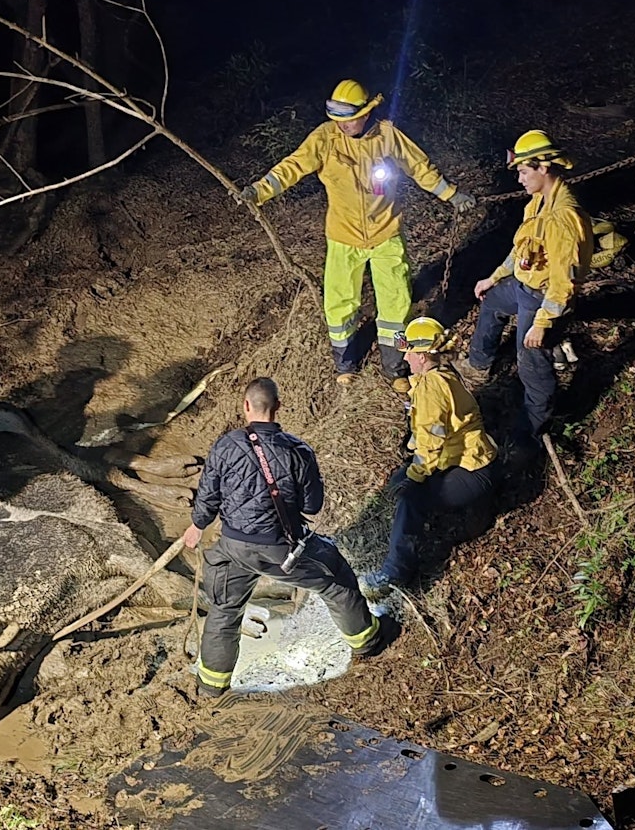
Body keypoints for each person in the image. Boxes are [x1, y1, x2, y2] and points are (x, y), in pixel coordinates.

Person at [239, 79, 477, 390]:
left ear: (367, 113)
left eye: (349, 119)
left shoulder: (387, 136)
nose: (343, 126)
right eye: (337, 120)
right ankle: (345, 364)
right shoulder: (325, 138)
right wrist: (258, 191)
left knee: (395, 303)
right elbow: (292, 167)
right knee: (339, 305)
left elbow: (419, 167)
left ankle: (395, 369)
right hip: (342, 236)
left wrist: (453, 195)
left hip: (386, 233)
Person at [184, 378, 393, 697]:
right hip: (283, 550)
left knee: (225, 610)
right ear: (278, 407)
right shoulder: (298, 451)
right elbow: (313, 505)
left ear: (245, 406)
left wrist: (196, 526)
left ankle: (211, 687)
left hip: (233, 548)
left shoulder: (226, 445)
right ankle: (368, 642)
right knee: (337, 582)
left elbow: (208, 497)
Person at [460, 130, 593, 445]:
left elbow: (564, 280)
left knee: (532, 367)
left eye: (523, 171)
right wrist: (494, 277)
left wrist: (542, 323)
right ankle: (479, 364)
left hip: (542, 300)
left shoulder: (564, 218)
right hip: (523, 286)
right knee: (492, 301)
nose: (519, 178)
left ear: (543, 168)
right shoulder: (537, 202)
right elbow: (523, 249)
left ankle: (530, 432)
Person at [361, 318, 497, 599]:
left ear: (422, 356)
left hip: (473, 469)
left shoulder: (431, 390)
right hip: (459, 460)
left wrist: (415, 476)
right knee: (400, 482)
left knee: (411, 500)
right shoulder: (438, 376)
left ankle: (395, 572)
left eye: (409, 351)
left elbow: (431, 443)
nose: (405, 356)